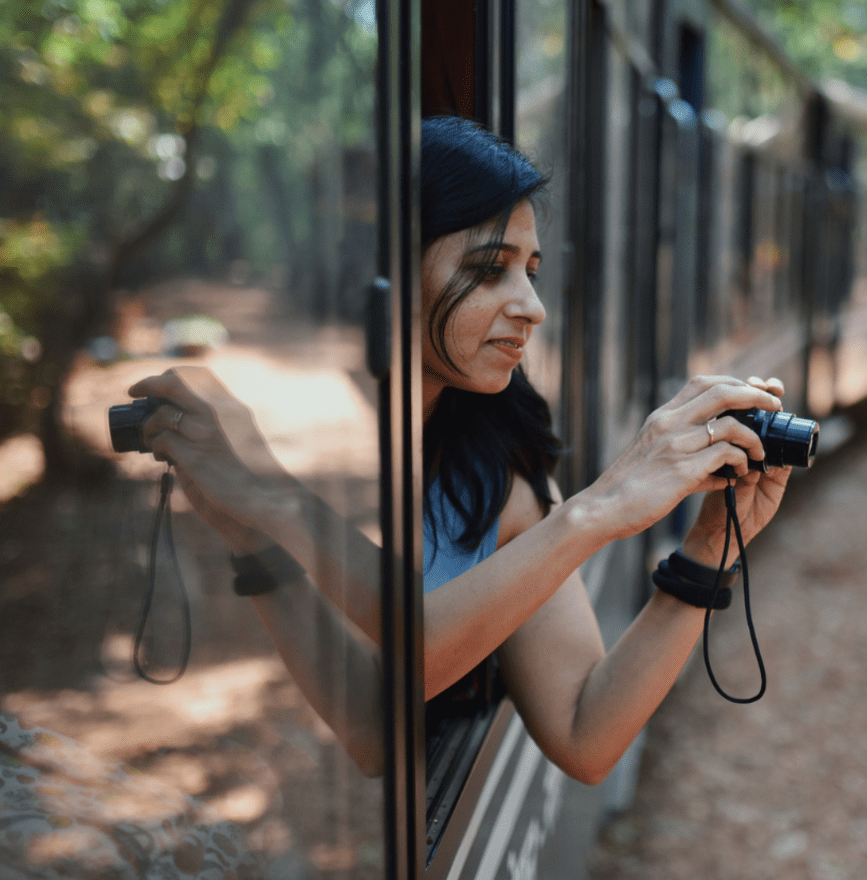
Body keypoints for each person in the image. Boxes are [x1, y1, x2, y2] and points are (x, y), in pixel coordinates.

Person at [126, 114, 792, 785]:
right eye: (488, 269)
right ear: (386, 275)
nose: (532, 305)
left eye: (530, 271)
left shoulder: (493, 470)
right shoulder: (319, 432)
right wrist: (257, 533)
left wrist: (708, 552)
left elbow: (584, 732)